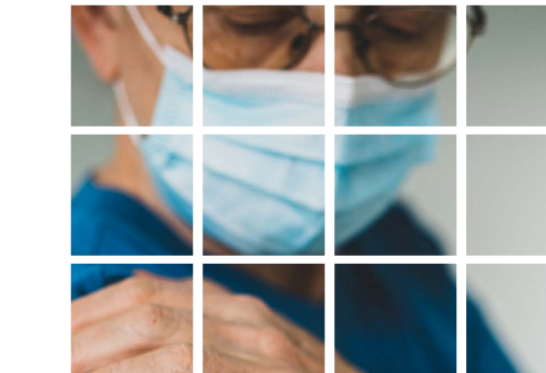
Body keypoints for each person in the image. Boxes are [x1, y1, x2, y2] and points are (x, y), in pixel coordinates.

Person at [70, 5, 483, 257]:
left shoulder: (390, 250)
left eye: (404, 23)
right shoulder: (95, 341)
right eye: (254, 19)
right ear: (101, 21)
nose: (340, 84)